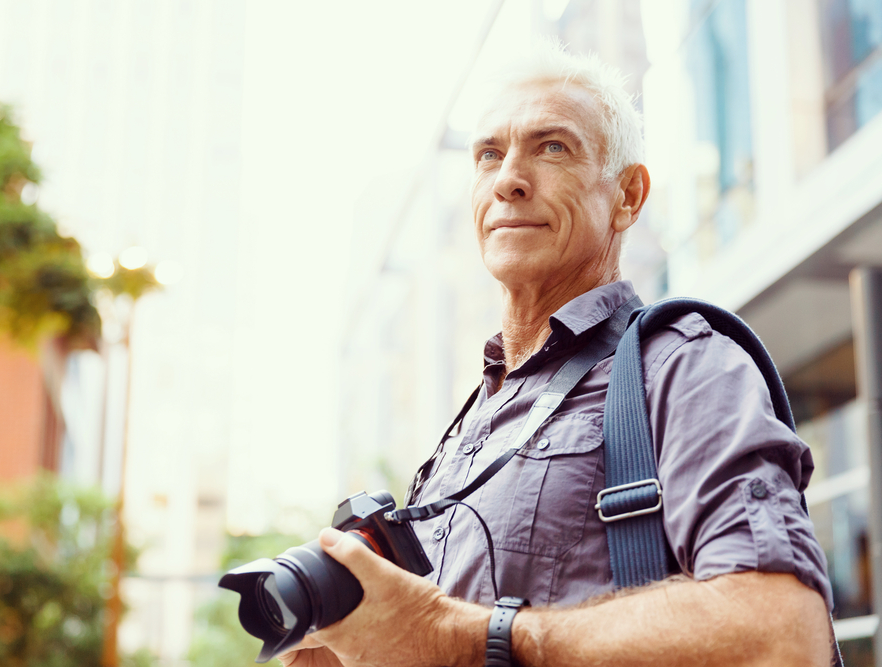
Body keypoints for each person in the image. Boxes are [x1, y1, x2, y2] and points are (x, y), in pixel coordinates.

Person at [281, 46, 835, 667]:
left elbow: (782, 634)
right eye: (489, 153)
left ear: (627, 195)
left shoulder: (681, 365)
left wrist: (464, 636)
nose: (508, 179)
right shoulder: (464, 431)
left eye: (552, 148)